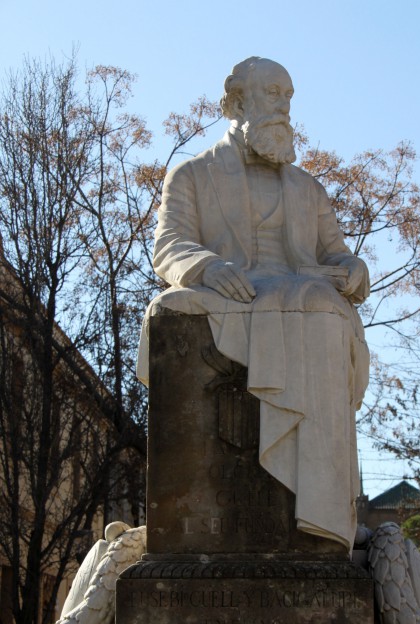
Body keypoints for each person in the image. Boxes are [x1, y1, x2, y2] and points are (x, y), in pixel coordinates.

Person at [137, 57, 370, 551]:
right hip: (226, 290)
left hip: (297, 293)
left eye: (288, 95)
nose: (284, 105)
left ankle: (321, 517)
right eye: (272, 93)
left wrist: (354, 271)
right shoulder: (193, 175)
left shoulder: (308, 188)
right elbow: (170, 245)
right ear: (236, 102)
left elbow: (338, 254)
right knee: (171, 309)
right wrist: (209, 268)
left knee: (326, 310)